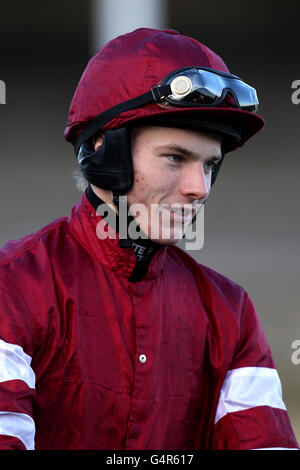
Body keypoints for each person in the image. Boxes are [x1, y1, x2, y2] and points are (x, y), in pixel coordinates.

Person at [0, 28, 298, 451]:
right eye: (176, 157)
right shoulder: (11, 288)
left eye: (210, 164)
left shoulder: (231, 313)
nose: (200, 187)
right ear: (104, 151)